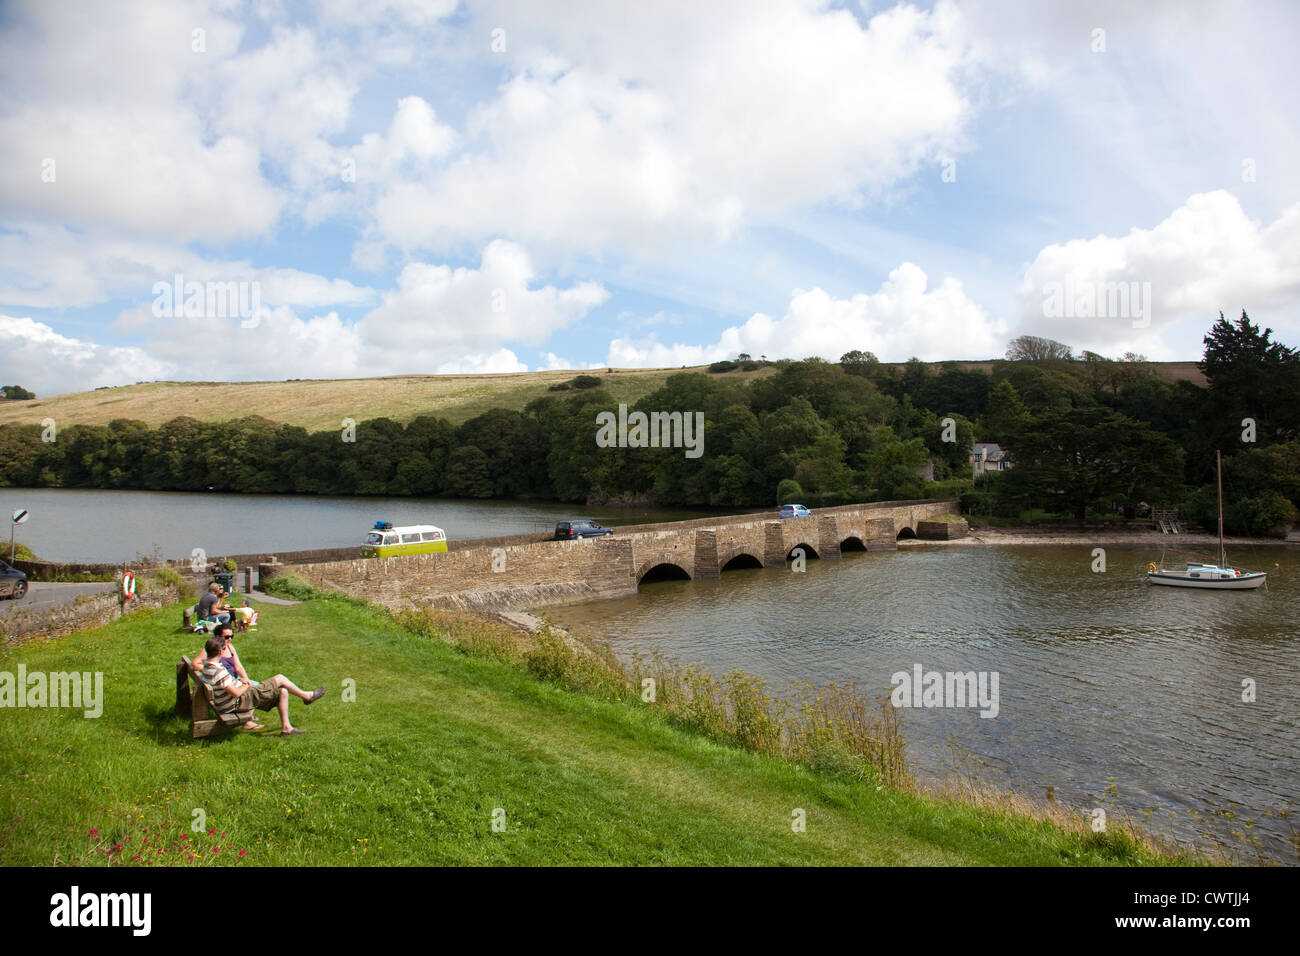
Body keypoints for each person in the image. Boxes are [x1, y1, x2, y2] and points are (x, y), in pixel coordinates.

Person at [194, 634, 325, 736]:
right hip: (237, 702)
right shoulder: (218, 671)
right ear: (221, 652)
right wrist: (245, 684)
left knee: (283, 691)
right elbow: (236, 693)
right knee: (279, 678)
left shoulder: (207, 666)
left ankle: (287, 728)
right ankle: (306, 696)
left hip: (228, 701)